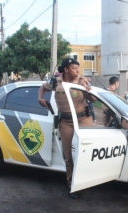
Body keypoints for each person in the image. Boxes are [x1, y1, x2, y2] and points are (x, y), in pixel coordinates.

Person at [38, 58, 95, 199]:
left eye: (78, 68)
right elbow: (43, 88)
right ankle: (72, 185)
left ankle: (87, 180)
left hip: (83, 119)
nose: (78, 71)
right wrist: (40, 98)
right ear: (66, 70)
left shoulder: (82, 81)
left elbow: (93, 100)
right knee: (68, 154)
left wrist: (89, 92)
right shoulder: (55, 82)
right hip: (66, 122)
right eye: (75, 68)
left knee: (86, 152)